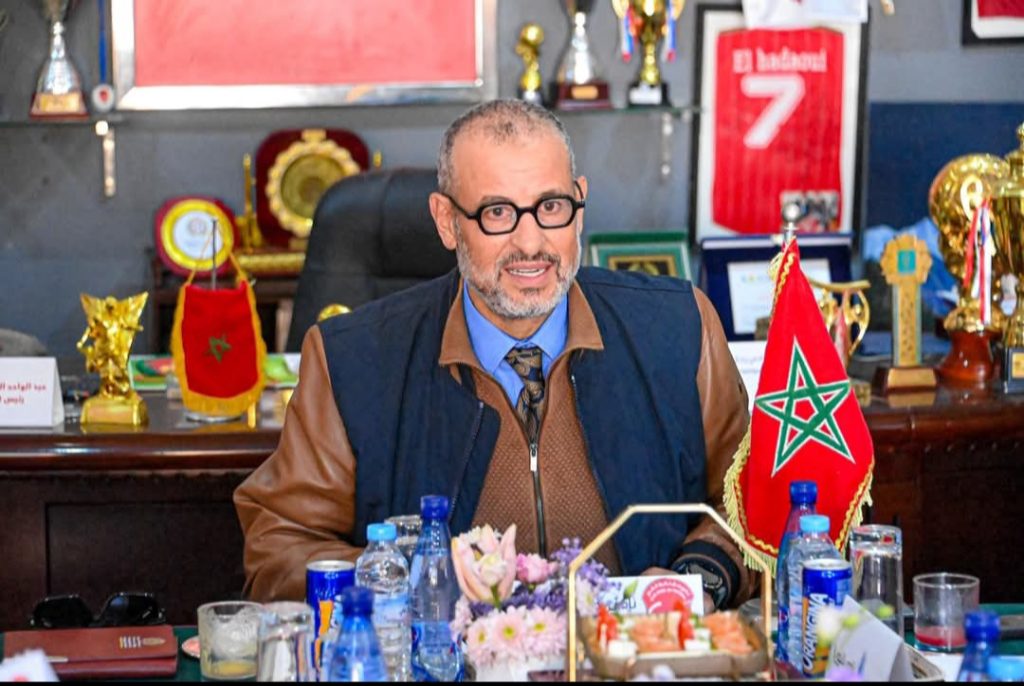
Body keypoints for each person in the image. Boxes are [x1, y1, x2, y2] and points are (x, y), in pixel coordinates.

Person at [235, 99, 753, 610]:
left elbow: (753, 502)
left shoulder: (678, 327)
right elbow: (279, 547)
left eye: (551, 207)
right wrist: (416, 580)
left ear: (579, 205)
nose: (530, 243)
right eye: (497, 213)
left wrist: (698, 581)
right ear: (446, 221)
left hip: (638, 651)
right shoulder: (352, 359)